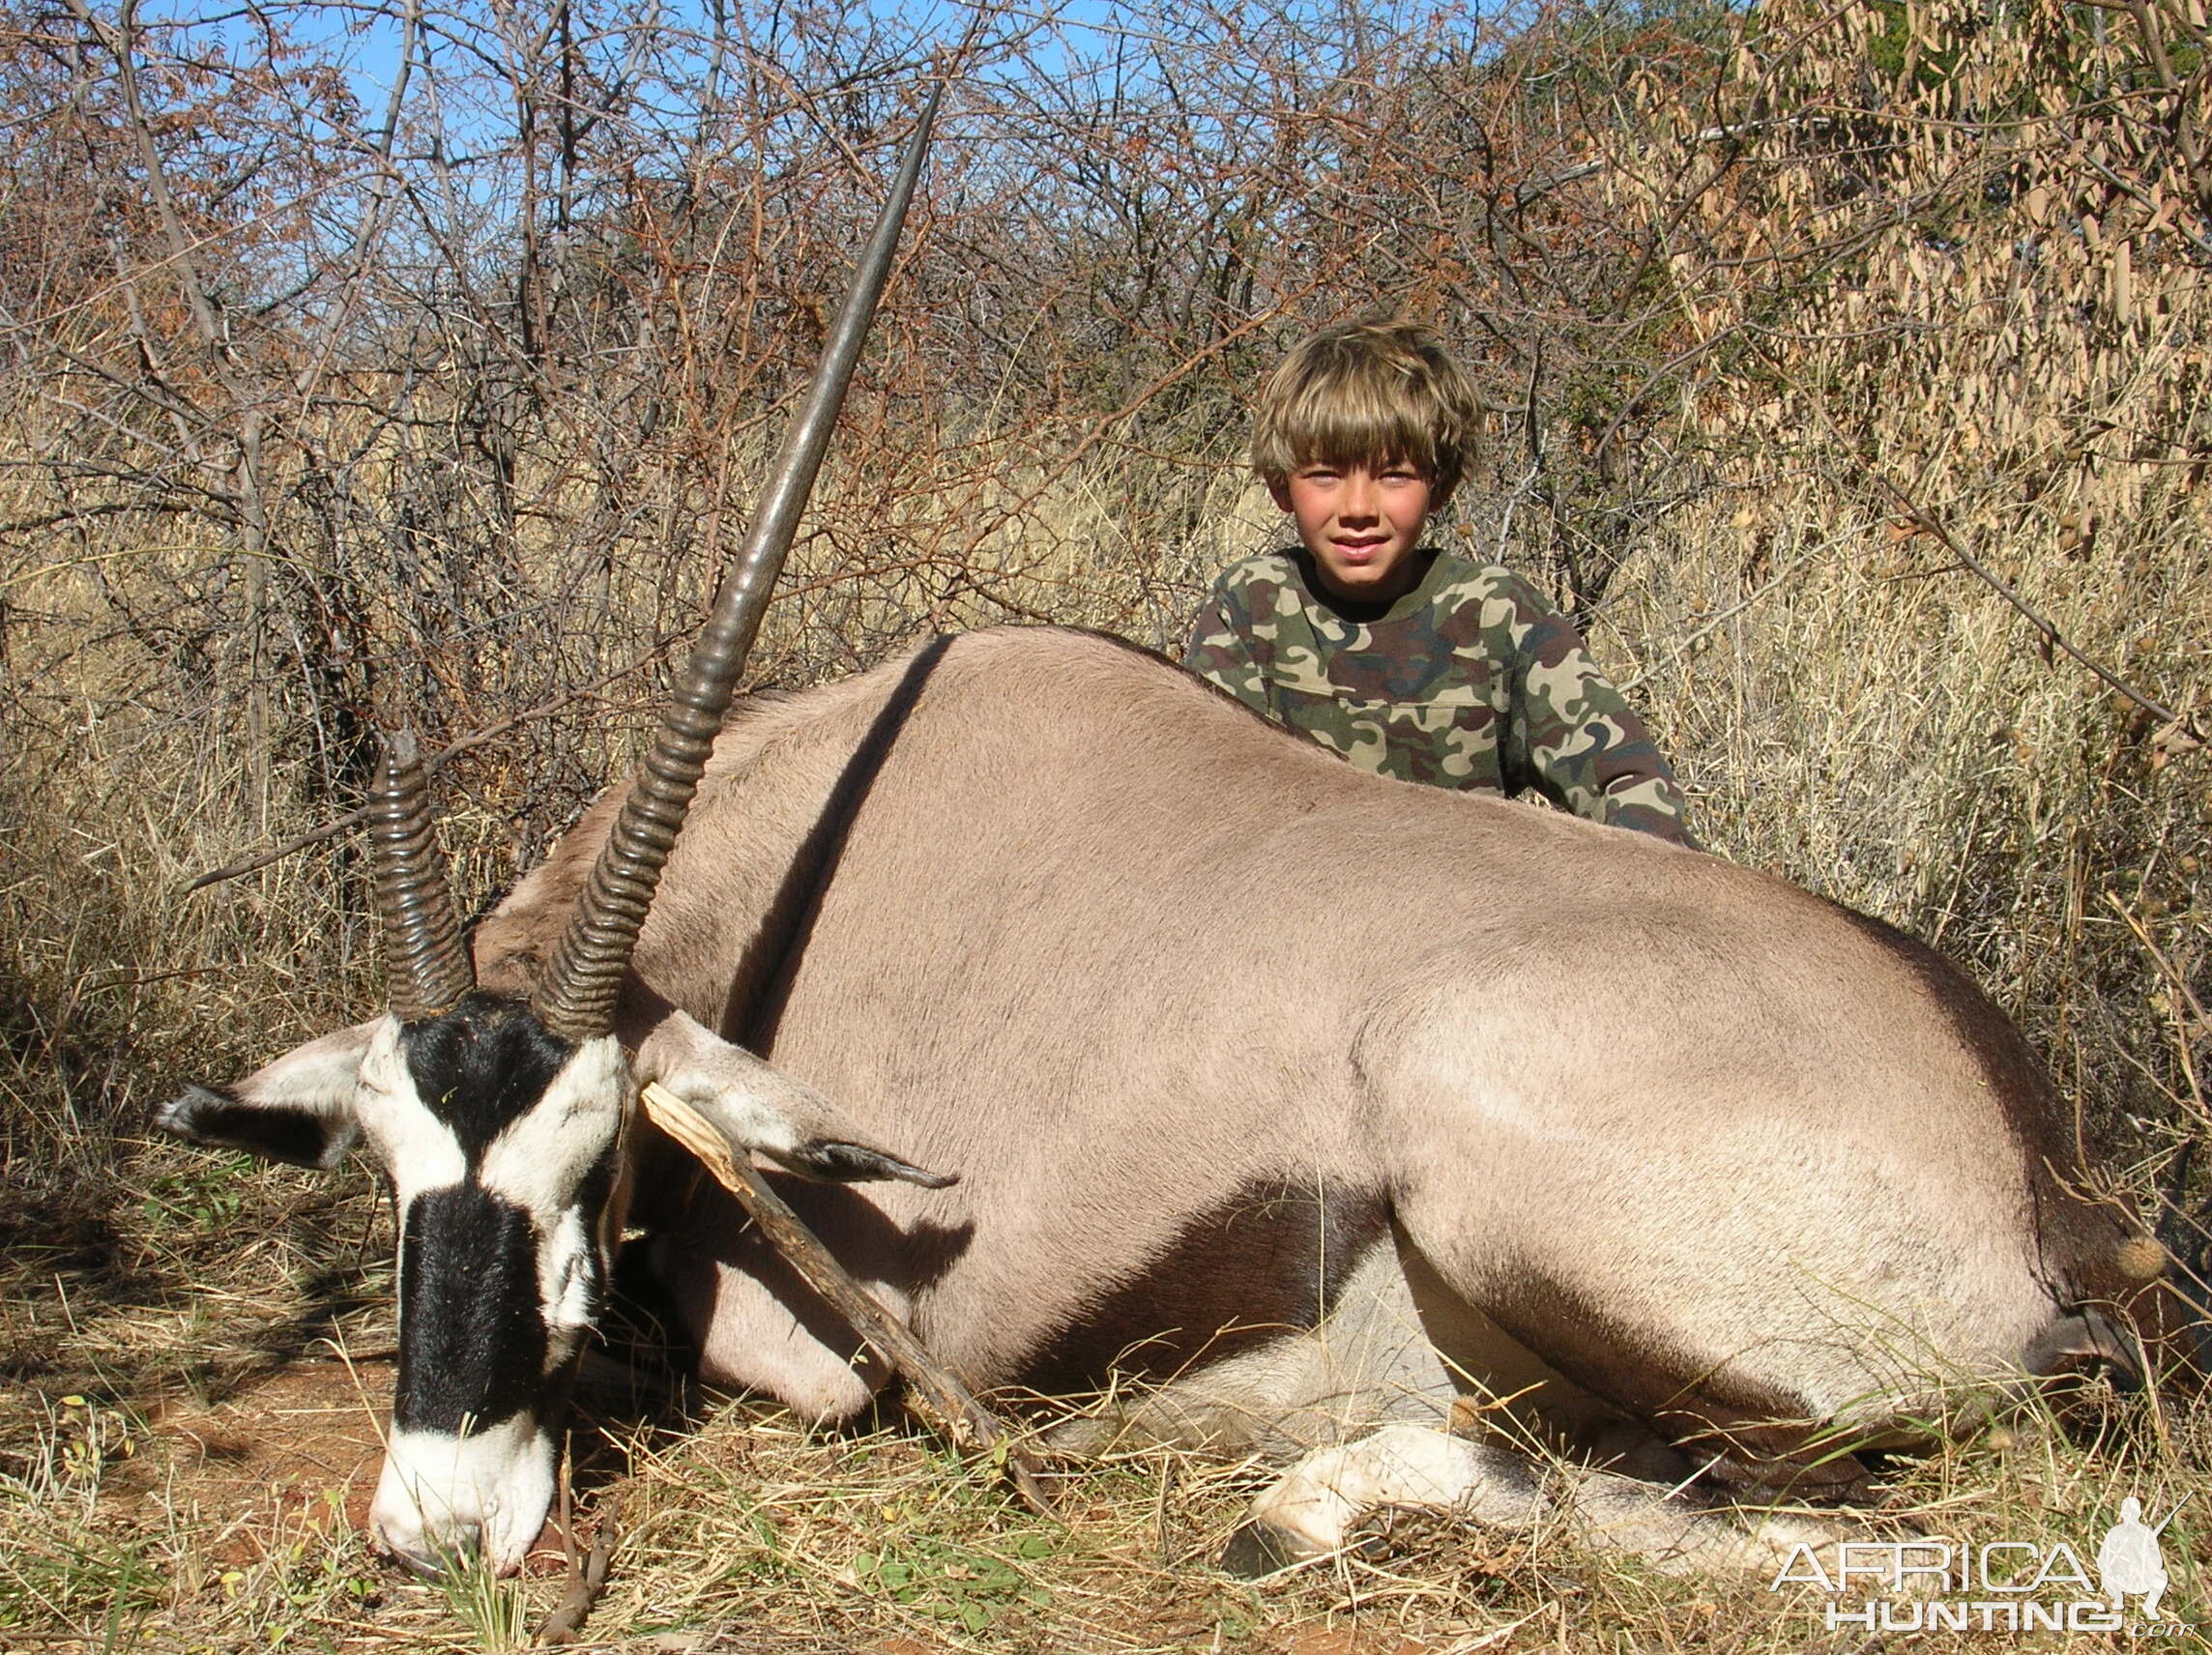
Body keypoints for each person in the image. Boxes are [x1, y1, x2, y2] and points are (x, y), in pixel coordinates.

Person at [1182, 316, 1697, 847]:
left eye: (1394, 476)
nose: (1358, 509)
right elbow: (1202, 793)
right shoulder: (1251, 605)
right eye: (1325, 475)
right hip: (1297, 902)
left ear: (1441, 486)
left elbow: (1630, 784)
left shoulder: (1496, 613)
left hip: (1472, 911)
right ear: (1280, 487)